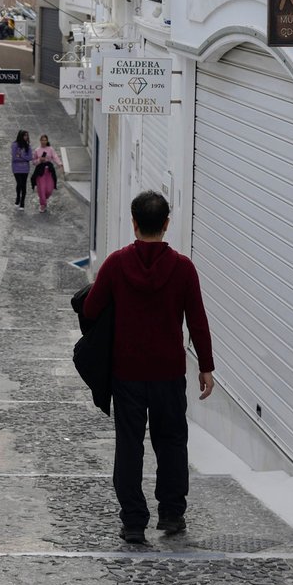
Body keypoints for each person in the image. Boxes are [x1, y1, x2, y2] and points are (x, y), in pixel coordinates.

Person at [80, 190, 214, 544]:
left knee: (129, 445)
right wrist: (206, 366)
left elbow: (91, 310)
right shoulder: (183, 268)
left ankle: (134, 521)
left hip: (127, 373)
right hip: (169, 372)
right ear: (167, 224)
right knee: (171, 442)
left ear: (134, 222)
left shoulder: (116, 264)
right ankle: (171, 514)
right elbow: (197, 320)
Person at [30, 134, 63, 213]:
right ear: (40, 141)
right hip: (40, 171)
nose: (44, 141)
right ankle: (42, 204)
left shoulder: (50, 149)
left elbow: (55, 157)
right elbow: (33, 162)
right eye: (42, 140)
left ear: (47, 141)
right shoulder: (37, 150)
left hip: (49, 171)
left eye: (45, 140)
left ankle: (45, 199)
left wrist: (60, 163)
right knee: (41, 189)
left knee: (49, 189)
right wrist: (39, 160)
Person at [10, 130, 34, 209]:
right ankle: (18, 198)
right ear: (20, 136)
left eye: (27, 135)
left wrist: (21, 155)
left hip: (25, 169)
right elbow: (14, 158)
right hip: (16, 168)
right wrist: (24, 158)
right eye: (24, 135)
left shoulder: (28, 146)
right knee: (19, 183)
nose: (26, 137)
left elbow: (30, 157)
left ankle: (22, 202)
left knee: (23, 185)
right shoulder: (15, 145)